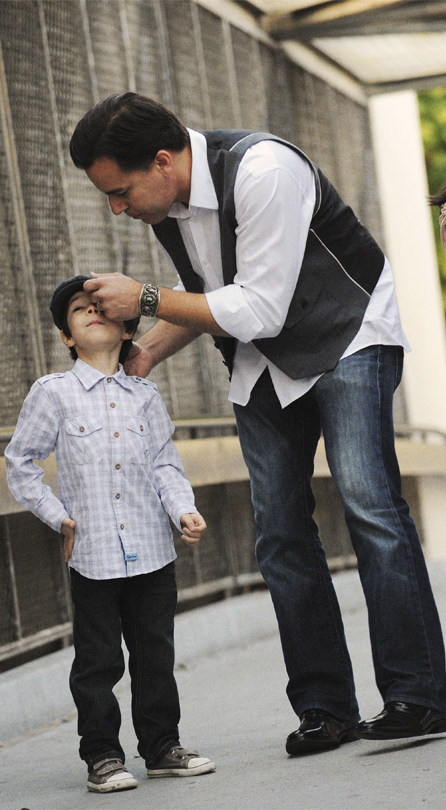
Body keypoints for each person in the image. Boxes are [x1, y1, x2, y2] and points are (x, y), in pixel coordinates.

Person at [69, 92, 446, 755]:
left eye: (121, 191)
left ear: (163, 160)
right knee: (277, 532)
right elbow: (218, 295)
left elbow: (261, 307)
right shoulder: (169, 202)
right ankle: (327, 708)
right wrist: (147, 349)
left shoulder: (265, 169)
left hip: (348, 337)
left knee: (370, 508)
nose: (117, 209)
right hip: (264, 365)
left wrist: (145, 296)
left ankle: (422, 694)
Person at [5, 276, 214, 793]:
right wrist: (58, 516)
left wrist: (183, 510)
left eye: (102, 306)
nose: (92, 313)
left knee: (154, 654)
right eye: (80, 309)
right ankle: (102, 755)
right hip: (93, 553)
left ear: (125, 328)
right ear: (67, 336)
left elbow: (165, 463)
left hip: (152, 550)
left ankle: (163, 747)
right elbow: (20, 463)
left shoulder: (145, 395)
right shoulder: (53, 394)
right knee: (98, 662)